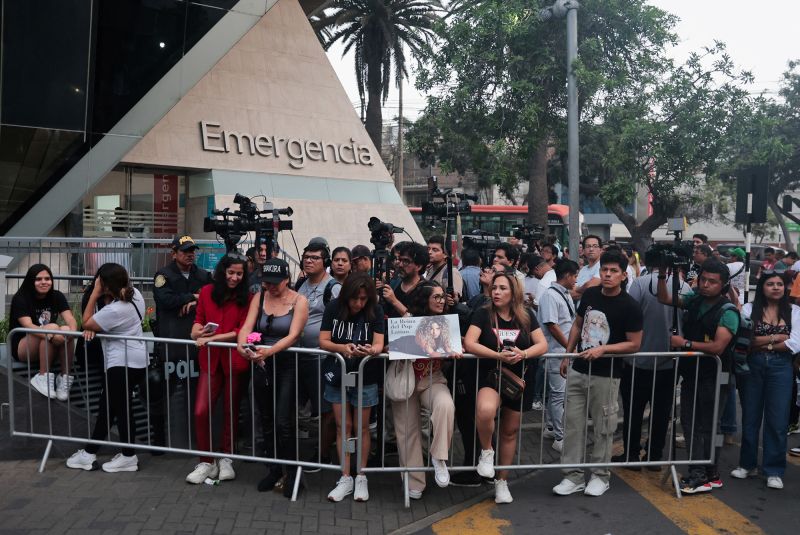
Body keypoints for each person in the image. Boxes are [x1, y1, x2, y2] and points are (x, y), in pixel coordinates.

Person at [553, 250, 643, 498]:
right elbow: (578, 324)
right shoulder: (591, 294)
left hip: (607, 375)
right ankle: (572, 476)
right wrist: (567, 354)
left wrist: (604, 349)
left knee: (604, 428)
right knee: (572, 426)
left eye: (614, 271)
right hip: (578, 369)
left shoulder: (630, 306)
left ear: (624, 275)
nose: (608, 274)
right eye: (605, 270)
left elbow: (634, 344)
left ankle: (601, 476)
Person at [465, 273, 548, 504]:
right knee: (485, 411)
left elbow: (542, 344)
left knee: (510, 432)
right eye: (494, 288)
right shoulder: (483, 313)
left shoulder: (526, 316)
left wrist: (523, 353)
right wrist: (497, 356)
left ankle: (502, 482)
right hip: (491, 376)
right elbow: (469, 343)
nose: (496, 292)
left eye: (502, 288)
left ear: (514, 292)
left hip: (519, 380)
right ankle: (487, 451)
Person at [657, 258, 739, 494]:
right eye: (703, 279)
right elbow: (665, 298)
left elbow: (717, 347)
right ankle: (700, 471)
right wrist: (663, 274)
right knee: (691, 423)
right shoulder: (695, 299)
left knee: (709, 426)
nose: (705, 284)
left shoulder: (728, 312)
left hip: (715, 375)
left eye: (712, 282)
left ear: (723, 285)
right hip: (692, 374)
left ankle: (706, 473)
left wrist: (685, 343)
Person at [66, 263, 147, 473]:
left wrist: (94, 293)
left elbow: (86, 323)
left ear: (105, 285)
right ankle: (92, 453)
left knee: (117, 410)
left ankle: (125, 456)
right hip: (137, 361)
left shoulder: (115, 310)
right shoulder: (135, 294)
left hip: (120, 363)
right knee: (112, 409)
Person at [237, 258, 309, 496]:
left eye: (277, 283)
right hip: (261, 363)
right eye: (267, 283)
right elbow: (246, 327)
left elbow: (294, 335)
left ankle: (291, 472)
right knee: (266, 418)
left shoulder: (299, 301)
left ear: (287, 280)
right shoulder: (260, 297)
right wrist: (244, 348)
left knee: (283, 422)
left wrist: (269, 351)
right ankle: (274, 468)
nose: (272, 287)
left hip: (286, 363)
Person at [619, 249, 690, 468]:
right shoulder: (684, 287)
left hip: (636, 360)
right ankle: (654, 456)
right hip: (668, 362)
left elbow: (629, 316)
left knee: (633, 411)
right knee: (661, 414)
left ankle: (630, 454)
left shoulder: (640, 284)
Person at [185, 254, 252, 484]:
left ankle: (226, 457)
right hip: (210, 358)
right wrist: (196, 332)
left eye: (239, 273)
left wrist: (211, 339)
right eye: (231, 272)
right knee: (201, 410)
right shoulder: (206, 292)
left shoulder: (247, 297)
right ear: (223, 271)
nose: (234, 277)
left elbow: (240, 330)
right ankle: (206, 460)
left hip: (233, 358)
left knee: (230, 409)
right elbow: (199, 319)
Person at [730, 271, 799, 490]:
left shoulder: (795, 312)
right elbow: (744, 340)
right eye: (770, 284)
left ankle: (774, 470)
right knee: (750, 416)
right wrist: (775, 337)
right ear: (763, 287)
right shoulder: (750, 309)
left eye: (780, 284)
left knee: (777, 420)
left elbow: (794, 344)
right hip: (753, 365)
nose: (776, 287)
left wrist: (761, 342)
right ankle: (747, 464)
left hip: (782, 368)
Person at [320, 273, 385, 502]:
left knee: (362, 427)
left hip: (365, 375)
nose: (359, 303)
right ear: (347, 296)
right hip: (339, 373)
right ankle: (346, 475)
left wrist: (371, 351)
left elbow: (379, 343)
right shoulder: (333, 308)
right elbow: (323, 340)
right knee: (343, 426)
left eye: (364, 299)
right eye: (355, 298)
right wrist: (342, 347)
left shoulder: (375, 310)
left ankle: (361, 475)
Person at [391, 282, 458, 499]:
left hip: (433, 378)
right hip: (406, 379)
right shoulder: (407, 321)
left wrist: (458, 349)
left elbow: (454, 344)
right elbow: (389, 346)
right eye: (436, 297)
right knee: (407, 431)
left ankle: (439, 457)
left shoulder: (446, 323)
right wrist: (397, 347)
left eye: (442, 297)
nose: (441, 301)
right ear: (425, 299)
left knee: (445, 405)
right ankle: (414, 481)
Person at [151, 235, 213, 447]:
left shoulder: (203, 275)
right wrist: (194, 297)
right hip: (171, 344)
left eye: (192, 250)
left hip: (196, 345)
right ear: (174, 253)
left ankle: (198, 439)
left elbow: (214, 297)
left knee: (196, 394)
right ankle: (160, 442)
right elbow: (165, 300)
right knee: (164, 395)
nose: (190, 254)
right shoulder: (163, 275)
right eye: (185, 251)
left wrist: (196, 301)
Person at [296, 238, 340, 462]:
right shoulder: (301, 284)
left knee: (325, 410)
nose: (309, 261)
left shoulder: (333, 287)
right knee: (299, 405)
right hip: (299, 355)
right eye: (306, 257)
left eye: (315, 258)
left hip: (321, 357)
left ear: (326, 262)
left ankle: (323, 455)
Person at [10, 264, 77, 400]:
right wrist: (52, 336)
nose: (44, 282)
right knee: (53, 327)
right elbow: (28, 325)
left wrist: (71, 333)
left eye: (47, 278)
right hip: (23, 347)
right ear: (31, 281)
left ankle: (64, 378)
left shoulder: (57, 296)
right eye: (38, 279)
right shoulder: (21, 298)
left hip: (48, 342)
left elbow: (70, 319)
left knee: (65, 329)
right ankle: (42, 376)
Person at [536, 259, 579, 453]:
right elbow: (552, 326)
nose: (576, 280)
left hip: (564, 351)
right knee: (558, 395)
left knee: (558, 394)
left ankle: (552, 427)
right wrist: (569, 347)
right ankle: (560, 436)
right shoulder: (550, 296)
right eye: (575, 276)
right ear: (568, 275)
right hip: (556, 351)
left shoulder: (564, 295)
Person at [379, 242, 429, 318]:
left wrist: (394, 301)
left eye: (406, 261)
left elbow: (419, 321)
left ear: (418, 266)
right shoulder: (393, 284)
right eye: (400, 260)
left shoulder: (427, 290)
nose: (400, 265)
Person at [425, 235, 464, 302]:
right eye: (428, 249)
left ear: (445, 254)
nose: (430, 252)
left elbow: (455, 298)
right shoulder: (430, 269)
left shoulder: (451, 272)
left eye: (435, 250)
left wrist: (451, 298)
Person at [571, 235, 603, 301]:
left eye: (595, 246)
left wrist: (577, 289)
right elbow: (571, 290)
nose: (591, 249)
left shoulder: (602, 266)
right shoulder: (583, 269)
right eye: (588, 246)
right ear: (583, 250)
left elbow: (591, 285)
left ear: (601, 250)